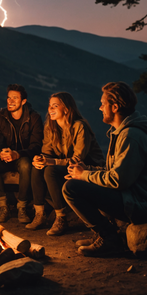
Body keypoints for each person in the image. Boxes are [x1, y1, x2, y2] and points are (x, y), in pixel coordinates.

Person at [63, 82, 147, 256]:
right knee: (77, 182)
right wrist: (86, 170)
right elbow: (115, 171)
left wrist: (84, 175)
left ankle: (109, 238)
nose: (100, 108)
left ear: (115, 107)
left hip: (143, 204)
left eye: (103, 104)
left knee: (72, 188)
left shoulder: (130, 136)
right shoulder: (121, 132)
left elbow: (118, 180)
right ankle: (104, 234)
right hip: (134, 197)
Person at [28, 91, 104, 236]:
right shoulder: (51, 126)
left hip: (87, 167)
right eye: (50, 106)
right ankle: (39, 213)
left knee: (50, 170)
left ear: (67, 109)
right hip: (66, 166)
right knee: (37, 168)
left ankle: (61, 217)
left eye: (55, 106)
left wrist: (51, 161)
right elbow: (47, 152)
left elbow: (78, 159)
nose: (50, 109)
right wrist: (40, 159)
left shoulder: (79, 126)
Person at [0, 84, 43, 223]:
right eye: (9, 97)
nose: (10, 101)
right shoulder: (0, 117)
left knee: (25, 164)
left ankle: (21, 207)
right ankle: (3, 206)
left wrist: (17, 154)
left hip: (21, 157)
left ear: (23, 101)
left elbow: (36, 146)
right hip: (4, 158)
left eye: (15, 98)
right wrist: (0, 154)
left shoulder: (33, 118)